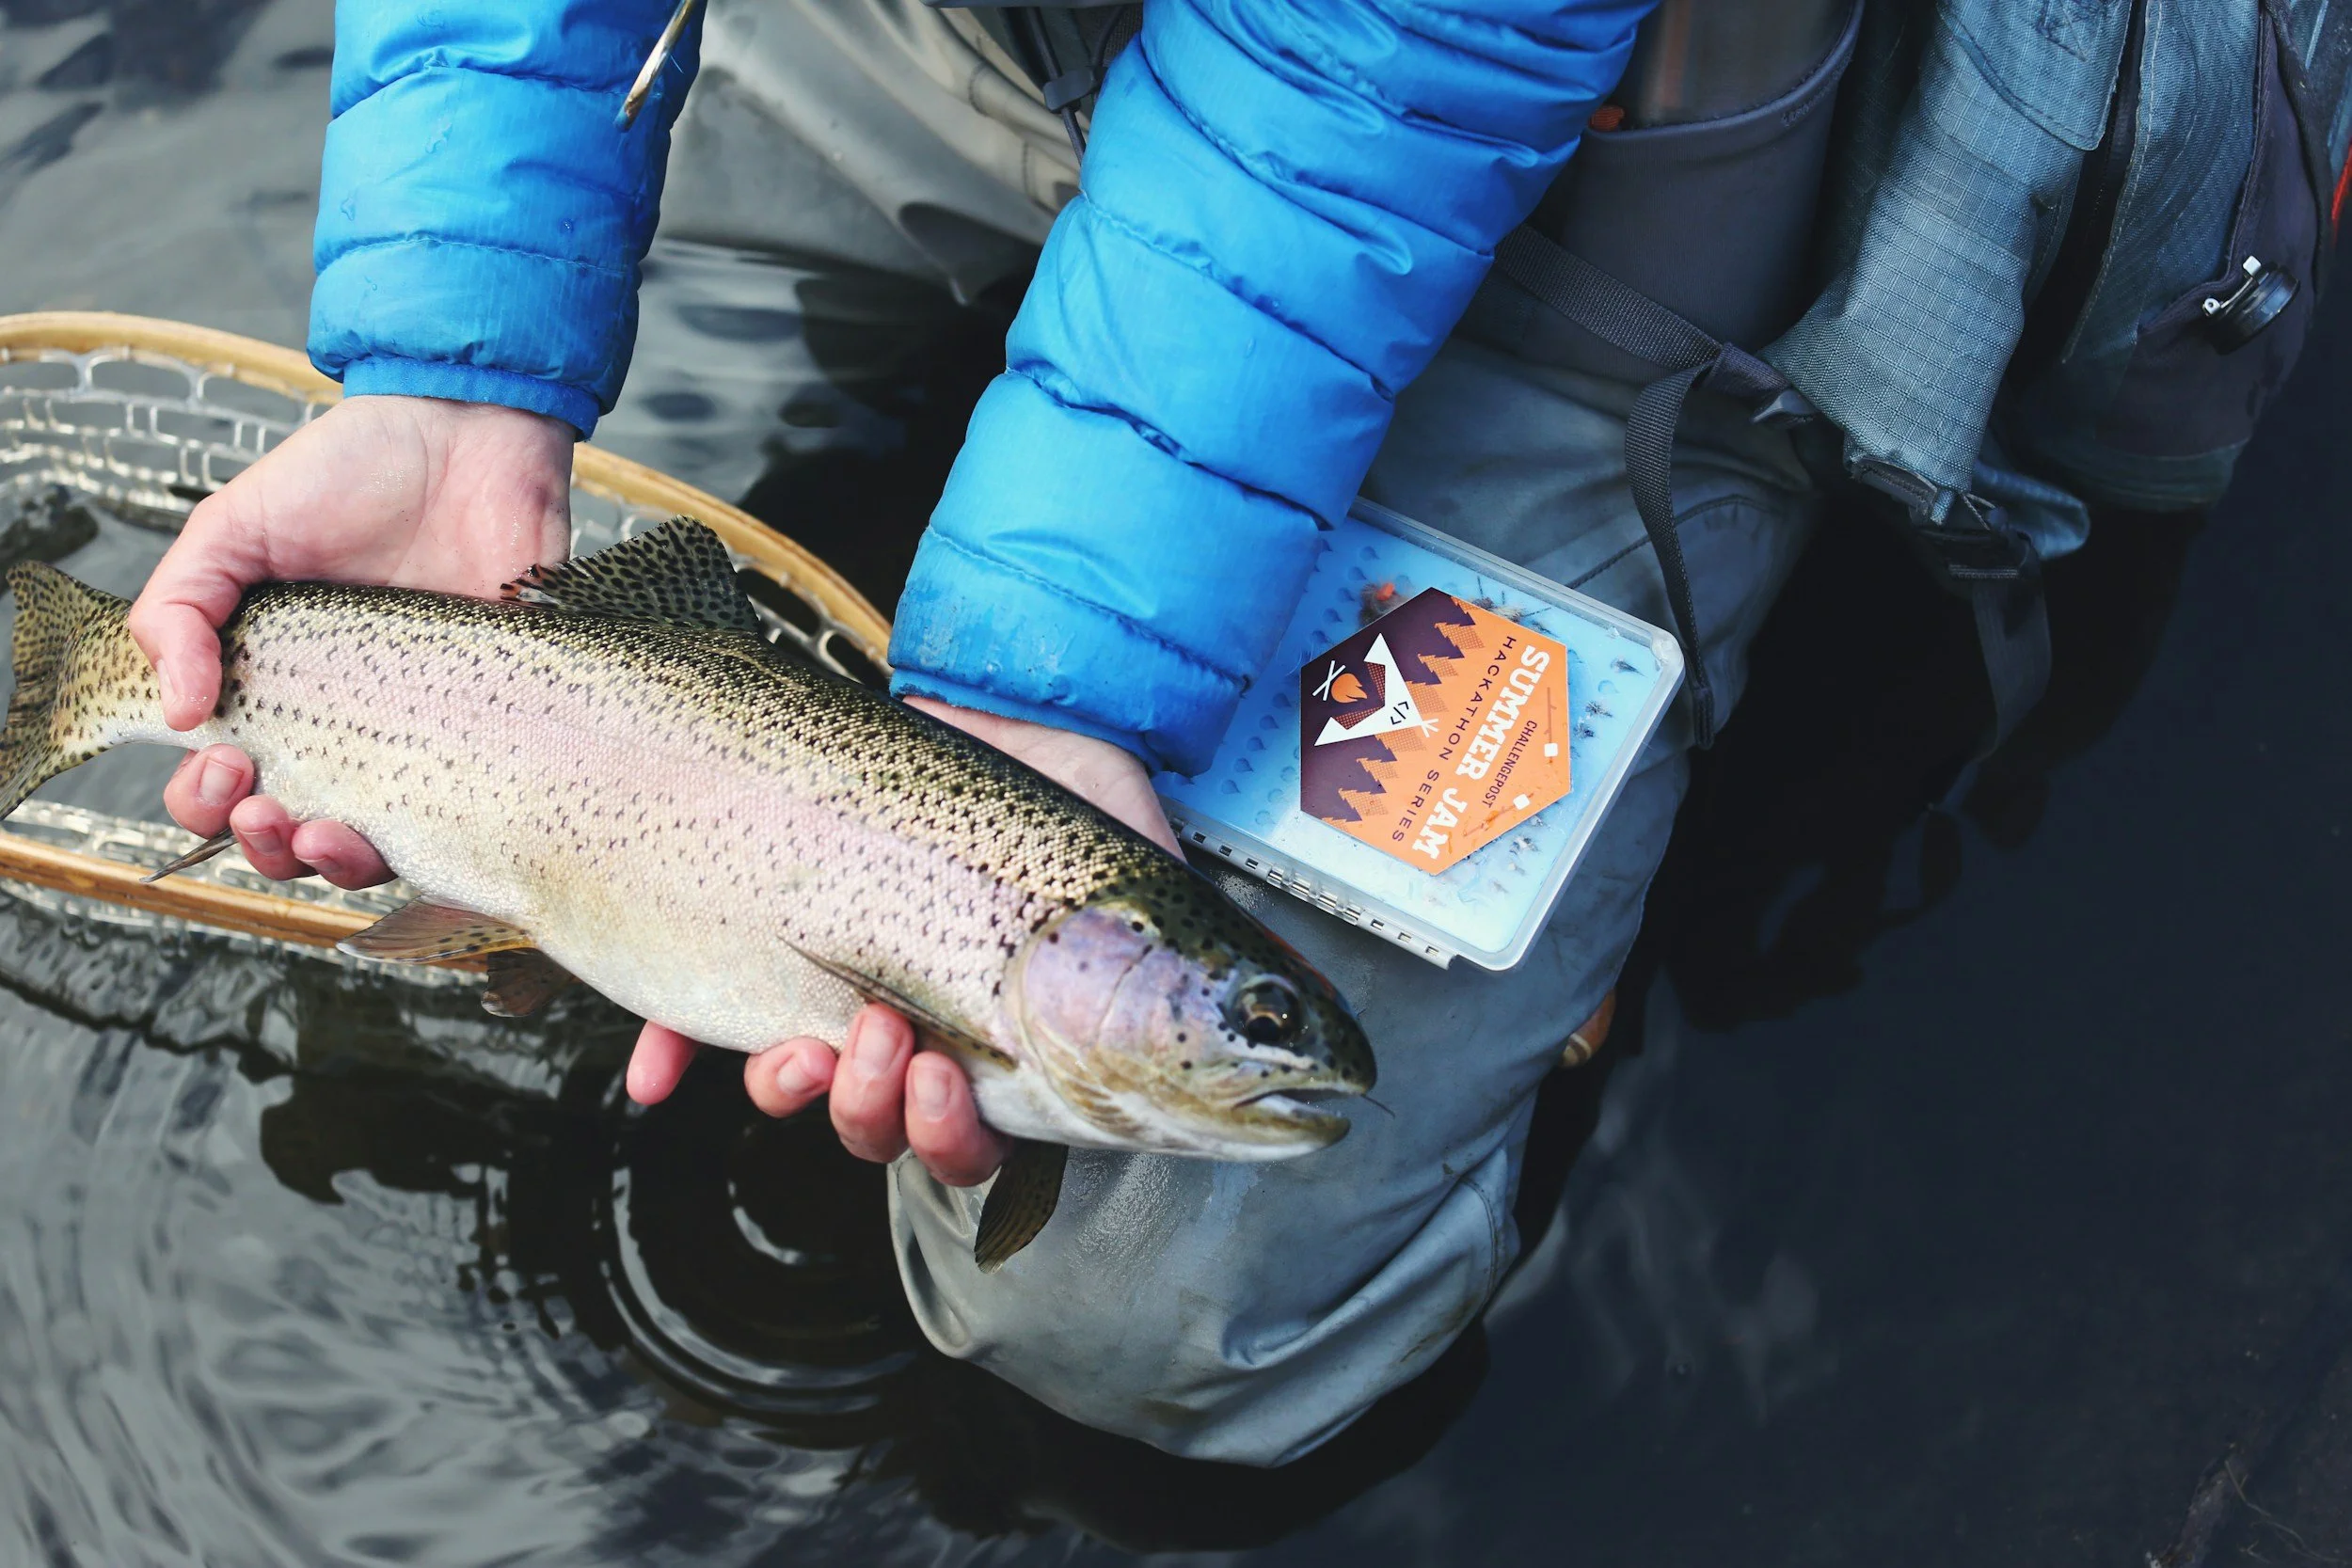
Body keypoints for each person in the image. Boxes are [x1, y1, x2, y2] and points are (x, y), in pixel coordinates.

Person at [116, 0, 2342, 1466]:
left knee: (1165, 1319)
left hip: (1562, 173)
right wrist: (452, 359)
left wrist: (1034, 706)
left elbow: (1342, 115)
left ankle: (1558, 1006)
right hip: (1015, 37)